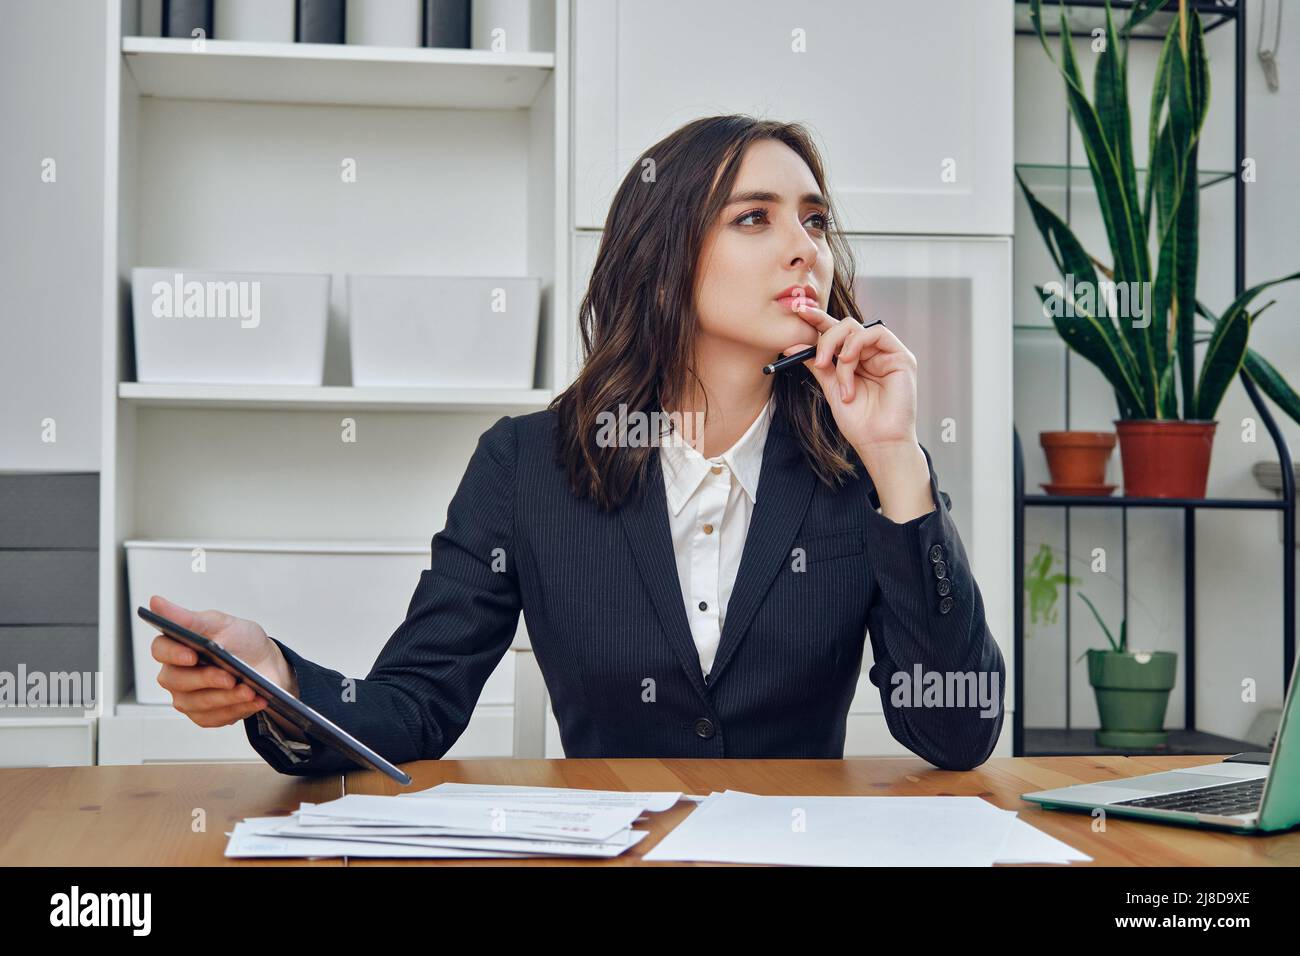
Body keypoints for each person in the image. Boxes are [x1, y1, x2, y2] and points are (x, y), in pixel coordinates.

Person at [151, 114, 1005, 774]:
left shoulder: (862, 470)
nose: (804, 248)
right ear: (663, 257)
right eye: (755, 218)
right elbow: (416, 705)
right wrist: (284, 686)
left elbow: (957, 731)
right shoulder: (526, 466)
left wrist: (896, 457)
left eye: (816, 221)